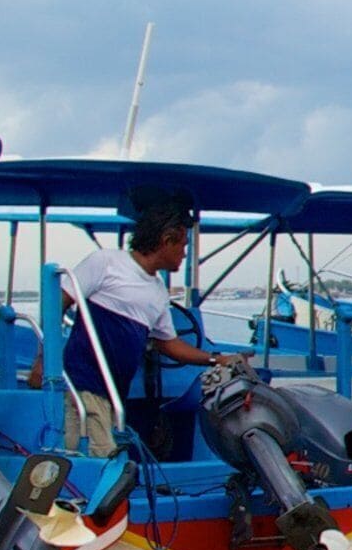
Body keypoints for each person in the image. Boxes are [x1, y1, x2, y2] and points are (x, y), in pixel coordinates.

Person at [60, 191, 231, 450]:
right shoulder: (106, 263)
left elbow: (169, 344)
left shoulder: (158, 291)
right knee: (101, 459)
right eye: (183, 245)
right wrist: (44, 358)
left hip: (114, 394)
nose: (185, 253)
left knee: (111, 456)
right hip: (83, 385)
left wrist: (216, 359)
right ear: (166, 240)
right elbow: (58, 301)